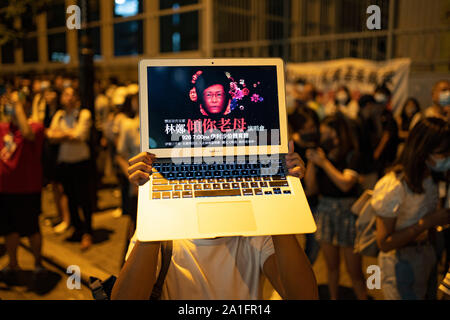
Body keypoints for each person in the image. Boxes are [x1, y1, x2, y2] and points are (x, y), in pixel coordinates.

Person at [110, 143, 319, 300]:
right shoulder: (161, 232)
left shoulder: (257, 233)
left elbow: (303, 296)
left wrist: (280, 194)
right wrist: (153, 203)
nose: (213, 182)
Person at [373, 117, 450, 300]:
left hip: (427, 254)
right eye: (443, 153)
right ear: (423, 150)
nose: (447, 159)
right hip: (401, 261)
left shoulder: (432, 176)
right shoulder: (394, 186)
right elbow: (384, 243)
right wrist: (427, 223)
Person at [304, 114, 368, 300]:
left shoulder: (352, 155)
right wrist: (312, 162)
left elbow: (345, 184)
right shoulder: (323, 155)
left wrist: (323, 163)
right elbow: (312, 188)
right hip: (325, 210)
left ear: (338, 133)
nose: (323, 136)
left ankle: (363, 295)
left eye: (327, 132)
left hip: (348, 212)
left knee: (354, 270)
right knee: (331, 268)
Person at [0, 89, 45, 277]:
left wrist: (17, 105)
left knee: (31, 228)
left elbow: (27, 133)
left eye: (16, 102)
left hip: (27, 188)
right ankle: (13, 264)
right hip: (5, 188)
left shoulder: (35, 126)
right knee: (9, 229)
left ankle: (37, 264)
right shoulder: (3, 128)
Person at [46, 86, 94, 250]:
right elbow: (50, 136)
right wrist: (68, 134)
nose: (69, 98)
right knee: (70, 198)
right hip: (64, 163)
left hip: (81, 162)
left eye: (72, 94)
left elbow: (80, 135)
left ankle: (88, 231)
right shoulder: (59, 115)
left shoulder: (84, 114)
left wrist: (62, 135)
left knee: (84, 199)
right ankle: (77, 229)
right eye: (66, 94)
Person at [288, 105, 321, 264]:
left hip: (312, 202)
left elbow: (313, 187)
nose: (312, 130)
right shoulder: (291, 149)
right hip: (296, 204)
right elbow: (310, 186)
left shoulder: (314, 146)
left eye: (314, 126)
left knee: (312, 246)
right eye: (308, 127)